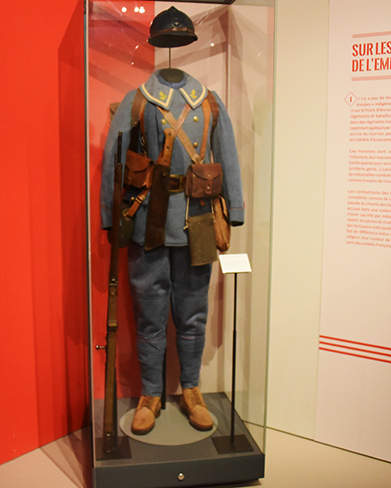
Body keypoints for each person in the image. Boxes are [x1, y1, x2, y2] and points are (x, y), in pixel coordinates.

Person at [100, 7, 244, 435]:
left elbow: (228, 156)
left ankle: (191, 390)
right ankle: (150, 394)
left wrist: (234, 209)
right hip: (150, 223)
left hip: (198, 221)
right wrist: (110, 217)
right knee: (149, 315)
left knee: (193, 314)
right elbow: (112, 162)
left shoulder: (209, 101)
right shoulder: (138, 99)